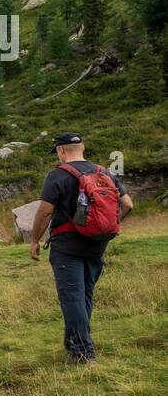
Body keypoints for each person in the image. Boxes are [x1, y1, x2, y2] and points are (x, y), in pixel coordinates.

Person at [30, 132, 132, 364]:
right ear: (82, 148)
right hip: (97, 245)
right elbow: (127, 204)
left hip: (67, 245)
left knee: (72, 297)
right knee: (84, 295)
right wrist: (106, 227)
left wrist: (35, 240)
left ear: (60, 150)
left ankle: (83, 353)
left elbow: (45, 211)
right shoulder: (105, 172)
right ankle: (76, 345)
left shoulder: (57, 175)